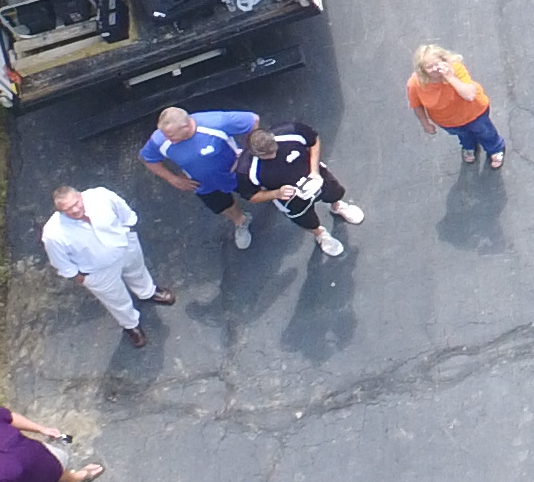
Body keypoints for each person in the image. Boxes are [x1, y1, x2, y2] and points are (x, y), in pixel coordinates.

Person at [41, 180, 177, 342]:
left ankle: (147, 292)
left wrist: (129, 232)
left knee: (138, 272)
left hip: (124, 249)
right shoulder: (53, 234)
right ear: (59, 211)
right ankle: (130, 324)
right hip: (98, 270)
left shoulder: (101, 196)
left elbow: (123, 211)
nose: (75, 210)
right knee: (115, 300)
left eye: (76, 203)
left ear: (80, 195)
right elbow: (61, 262)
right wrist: (83, 278)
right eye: (68, 209)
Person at [140, 101, 263, 247]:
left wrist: (248, 152)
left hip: (235, 173)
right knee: (223, 206)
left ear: (186, 126)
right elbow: (146, 158)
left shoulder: (215, 123)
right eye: (164, 134)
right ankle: (240, 220)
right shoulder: (160, 139)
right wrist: (173, 179)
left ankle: (276, 195)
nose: (166, 139)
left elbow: (252, 120)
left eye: (170, 135)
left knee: (257, 192)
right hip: (203, 185)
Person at [239, 120, 366, 258]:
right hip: (290, 199)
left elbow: (314, 140)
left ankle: (337, 206)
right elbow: (251, 195)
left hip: (315, 178)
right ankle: (320, 234)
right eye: (268, 156)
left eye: (274, 150)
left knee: (334, 192)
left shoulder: (291, 131)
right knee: (306, 219)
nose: (273, 155)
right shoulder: (246, 170)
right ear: (255, 154)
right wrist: (277, 193)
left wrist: (315, 172)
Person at [407, 44, 508, 171]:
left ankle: (495, 149)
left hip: (474, 114)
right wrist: (425, 124)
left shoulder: (456, 68)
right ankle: (469, 147)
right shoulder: (415, 84)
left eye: (437, 64)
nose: (435, 69)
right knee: (464, 136)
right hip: (448, 121)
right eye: (429, 67)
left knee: (485, 132)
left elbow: (470, 95)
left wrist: (449, 77)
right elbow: (417, 105)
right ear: (422, 69)